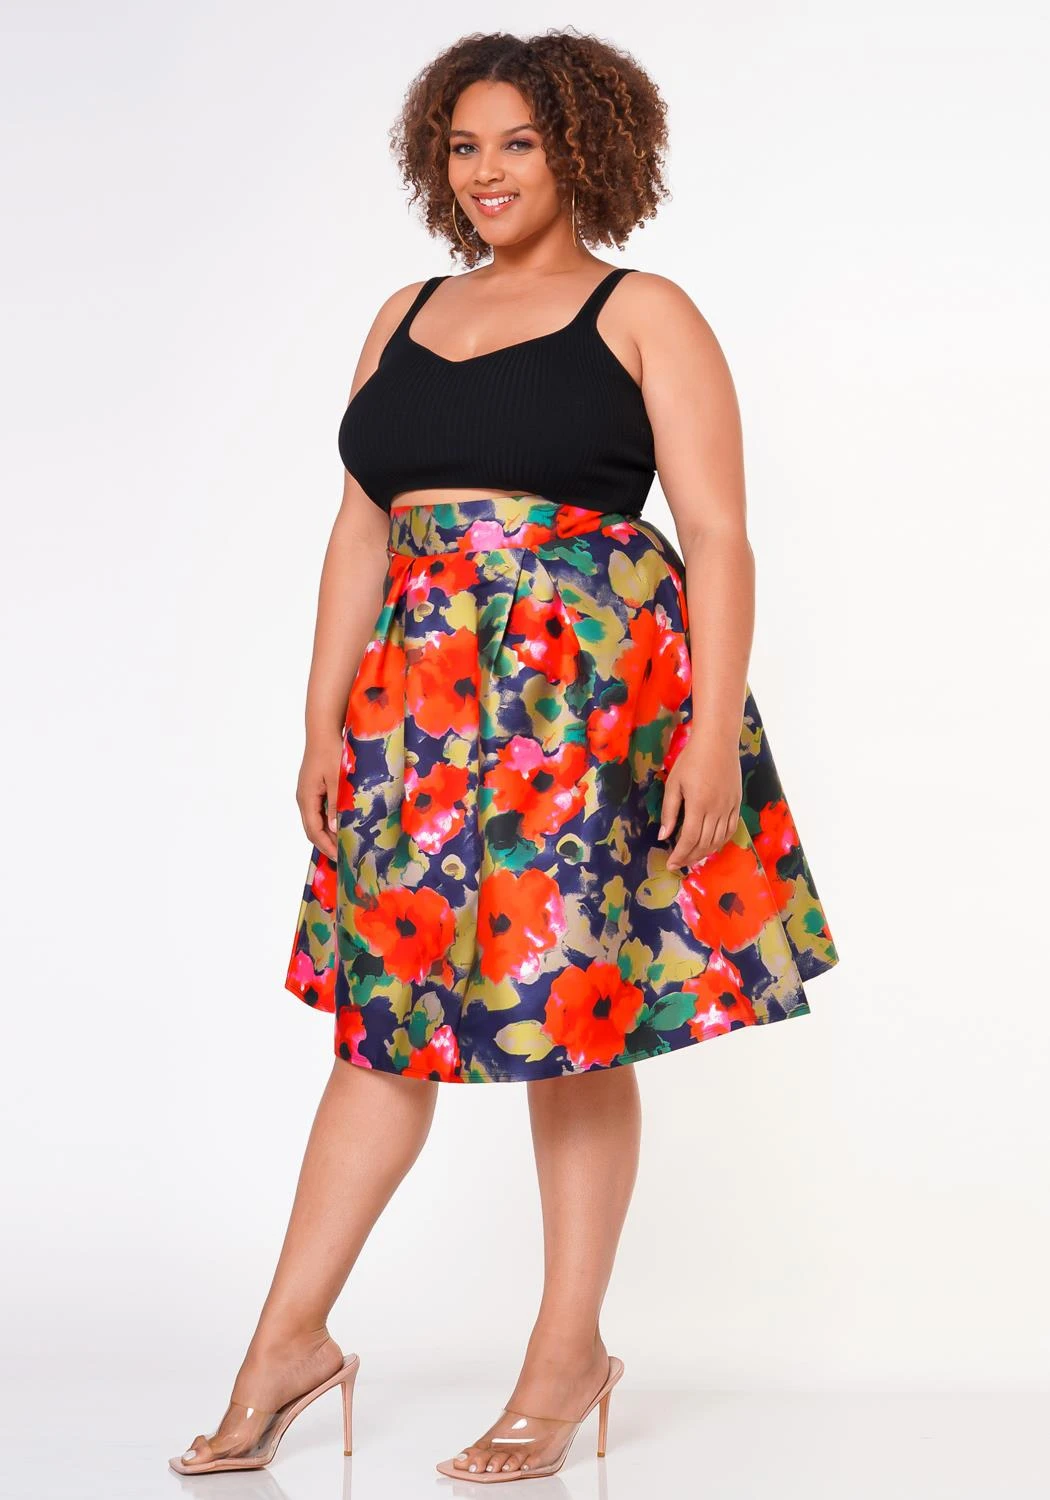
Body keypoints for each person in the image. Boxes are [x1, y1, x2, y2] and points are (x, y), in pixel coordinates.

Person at [170, 27, 839, 1484]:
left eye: (519, 143)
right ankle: (287, 1343)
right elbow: (361, 527)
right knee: (379, 1023)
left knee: (572, 1020)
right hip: (413, 709)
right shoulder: (402, 313)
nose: (487, 171)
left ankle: (564, 1356)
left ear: (583, 151)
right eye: (464, 145)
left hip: (585, 710)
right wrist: (320, 720)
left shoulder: (643, 310)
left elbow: (718, 533)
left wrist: (710, 737)